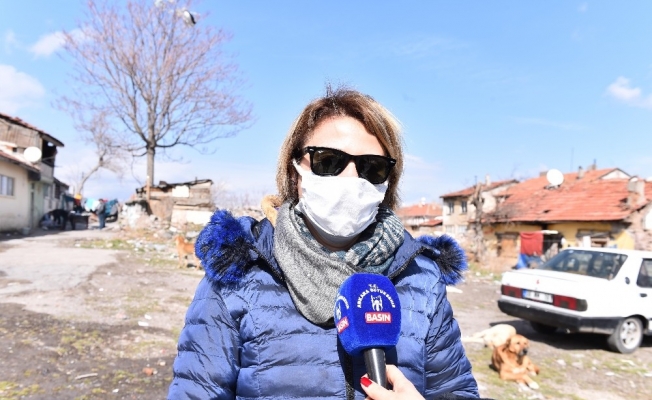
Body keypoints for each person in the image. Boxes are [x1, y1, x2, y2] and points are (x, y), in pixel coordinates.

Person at [168, 87, 480, 399]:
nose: (351, 178)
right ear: (295, 172)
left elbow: (457, 390)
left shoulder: (422, 277)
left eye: (372, 167)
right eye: (328, 161)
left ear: (388, 182)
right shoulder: (240, 272)